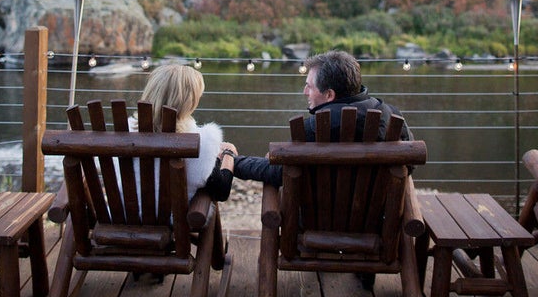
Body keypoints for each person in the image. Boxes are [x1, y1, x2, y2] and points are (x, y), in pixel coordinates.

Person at [233, 50, 412, 187]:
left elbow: (280, 173)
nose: (305, 92)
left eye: (309, 87)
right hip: (377, 224)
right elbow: (409, 167)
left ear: (329, 95)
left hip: (317, 223)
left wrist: (233, 161)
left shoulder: (314, 129)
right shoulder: (392, 117)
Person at [132, 63, 236, 201]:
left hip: (123, 218)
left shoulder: (125, 131)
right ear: (189, 100)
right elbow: (221, 191)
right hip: (173, 220)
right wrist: (228, 154)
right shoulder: (202, 140)